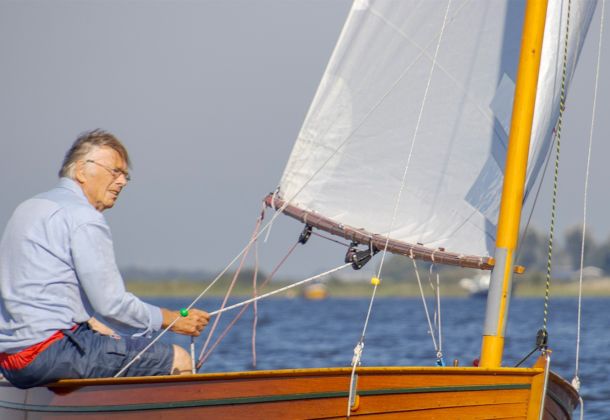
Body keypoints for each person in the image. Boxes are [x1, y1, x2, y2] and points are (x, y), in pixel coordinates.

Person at [0, 129, 210, 389]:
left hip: (11, 361)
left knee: (107, 336)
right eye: (115, 171)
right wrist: (171, 319)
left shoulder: (29, 208)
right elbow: (112, 305)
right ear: (81, 171)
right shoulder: (84, 217)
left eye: (125, 176)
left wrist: (94, 325)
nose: (122, 182)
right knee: (179, 359)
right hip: (49, 354)